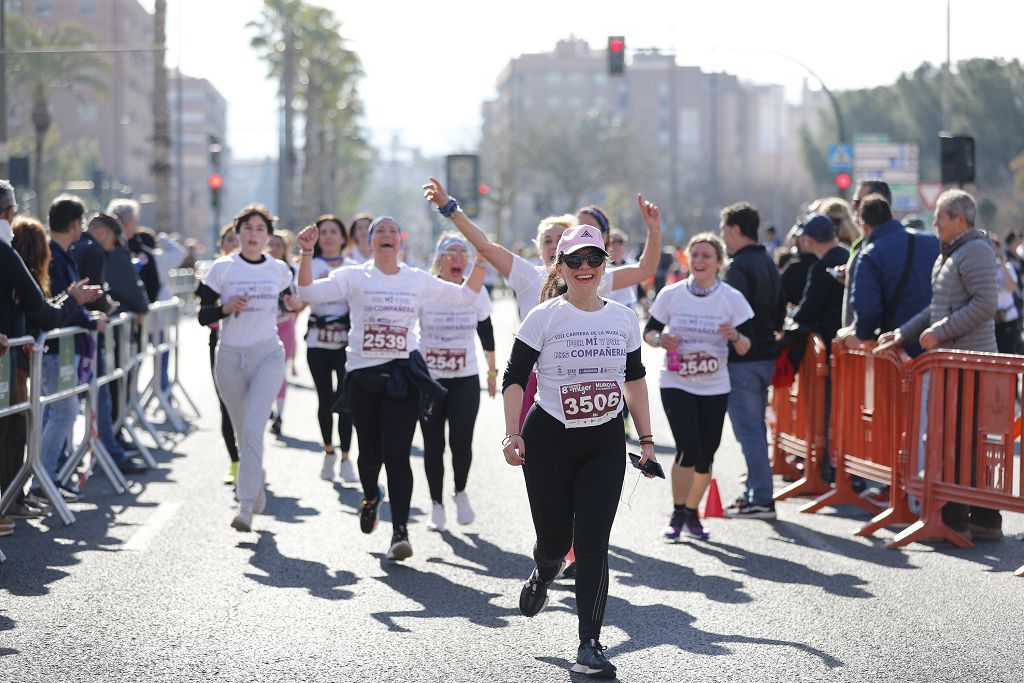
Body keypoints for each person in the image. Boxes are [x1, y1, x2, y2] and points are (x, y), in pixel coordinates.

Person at [501, 225, 656, 679]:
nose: (585, 268)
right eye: (575, 260)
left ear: (606, 263)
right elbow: (513, 378)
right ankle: (543, 571)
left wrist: (646, 442)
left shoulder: (624, 318)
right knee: (554, 542)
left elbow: (635, 380)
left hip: (604, 441)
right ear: (560, 266)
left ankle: (589, 643)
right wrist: (513, 435)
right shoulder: (544, 317)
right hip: (549, 438)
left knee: (592, 543)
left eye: (594, 259)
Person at [295, 211, 485, 561]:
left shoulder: (415, 279)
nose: (385, 234)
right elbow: (307, 291)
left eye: (392, 230)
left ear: (401, 241)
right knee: (370, 455)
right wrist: (307, 253)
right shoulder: (353, 276)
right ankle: (370, 497)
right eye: (379, 231)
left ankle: (400, 530)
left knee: (397, 454)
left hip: (402, 376)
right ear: (370, 242)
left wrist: (483, 264)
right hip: (364, 376)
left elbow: (463, 297)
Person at [876, 189, 1001, 539]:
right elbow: (935, 308)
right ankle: (968, 517)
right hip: (953, 362)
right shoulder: (952, 253)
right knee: (955, 438)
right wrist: (903, 333)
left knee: (964, 440)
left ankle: (965, 517)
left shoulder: (975, 250)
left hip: (971, 364)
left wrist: (939, 331)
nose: (934, 223)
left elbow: (985, 305)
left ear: (960, 219)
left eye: (940, 218)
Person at [646, 233, 752, 541]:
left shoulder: (732, 299)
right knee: (688, 447)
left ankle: (693, 513)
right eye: (695, 255)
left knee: (707, 452)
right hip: (676, 381)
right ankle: (678, 512)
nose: (700, 261)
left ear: (719, 262)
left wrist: (734, 336)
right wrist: (660, 339)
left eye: (707, 256)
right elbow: (649, 333)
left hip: (715, 385)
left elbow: (746, 347)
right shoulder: (672, 294)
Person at [197, 205, 294, 533]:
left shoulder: (278, 270)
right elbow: (203, 315)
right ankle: (257, 480)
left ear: (268, 236)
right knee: (242, 432)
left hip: (267, 355)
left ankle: (246, 506)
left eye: (260, 229)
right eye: (248, 228)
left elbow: (291, 301)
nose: (253, 234)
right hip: (229, 358)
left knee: (254, 428)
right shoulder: (222, 269)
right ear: (238, 233)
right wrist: (225, 307)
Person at [419, 232, 497, 532]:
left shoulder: (476, 291)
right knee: (433, 444)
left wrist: (492, 373)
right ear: (439, 260)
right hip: (430, 380)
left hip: (465, 378)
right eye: (450, 253)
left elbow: (486, 331)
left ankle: (460, 492)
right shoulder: (426, 290)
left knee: (461, 442)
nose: (457, 258)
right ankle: (436, 504)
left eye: (462, 253)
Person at [35, 195, 105, 501]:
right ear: (76, 224)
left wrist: (86, 309)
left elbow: (68, 301)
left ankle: (48, 476)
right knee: (62, 411)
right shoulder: (53, 254)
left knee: (59, 411)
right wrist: (89, 319)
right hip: (55, 348)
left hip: (62, 346)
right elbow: (59, 303)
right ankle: (42, 480)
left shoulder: (62, 254)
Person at [718, 201, 782, 519]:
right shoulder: (768, 260)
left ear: (734, 230)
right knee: (755, 427)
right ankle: (756, 491)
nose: (723, 238)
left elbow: (729, 311)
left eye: (724, 231)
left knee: (749, 429)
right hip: (766, 353)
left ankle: (761, 496)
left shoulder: (738, 267)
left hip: (743, 356)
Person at [70, 212, 148, 475]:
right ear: (103, 233)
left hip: (71, 333)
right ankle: (107, 454)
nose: (113, 249)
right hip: (86, 334)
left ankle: (66, 461)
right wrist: (108, 306)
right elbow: (94, 292)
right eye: (114, 242)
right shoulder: (93, 251)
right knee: (96, 397)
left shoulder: (73, 248)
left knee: (65, 406)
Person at [837, 194, 939, 356]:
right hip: (938, 345)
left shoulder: (870, 255)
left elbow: (867, 309)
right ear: (891, 216)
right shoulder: (932, 242)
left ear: (864, 227)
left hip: (895, 350)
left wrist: (861, 334)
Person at [303, 215, 357, 483]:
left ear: (343, 236)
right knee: (324, 399)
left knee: (346, 399)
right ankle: (328, 452)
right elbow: (299, 295)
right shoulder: (310, 264)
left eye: (333, 231)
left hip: (346, 343)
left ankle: (347, 457)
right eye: (323, 231)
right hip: (317, 342)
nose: (328, 236)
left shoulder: (353, 267)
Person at [198, 224, 242, 486]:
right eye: (229, 240)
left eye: (239, 239)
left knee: (248, 409)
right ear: (221, 245)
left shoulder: (257, 272)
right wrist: (223, 308)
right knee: (226, 405)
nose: (235, 243)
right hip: (220, 342)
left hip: (253, 346)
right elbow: (203, 313)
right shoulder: (212, 274)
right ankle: (235, 462)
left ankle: (250, 459)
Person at [789, 213, 849, 348]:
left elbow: (807, 312)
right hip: (848, 341)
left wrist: (791, 312)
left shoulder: (820, 268)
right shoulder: (847, 254)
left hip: (833, 344)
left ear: (808, 239)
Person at [266, 229, 303, 435]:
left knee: (281, 371)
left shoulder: (291, 271)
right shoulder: (260, 269)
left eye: (279, 245)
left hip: (285, 325)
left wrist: (294, 305)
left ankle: (279, 415)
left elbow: (299, 300)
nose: (274, 249)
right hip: (263, 328)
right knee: (264, 370)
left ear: (285, 249)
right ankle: (268, 406)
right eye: (271, 244)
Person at [990, 234, 1021, 355]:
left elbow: (1011, 287)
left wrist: (1002, 262)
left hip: (1008, 319)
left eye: (995, 246)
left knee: (1009, 355)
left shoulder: (1007, 267)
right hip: (993, 321)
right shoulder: (984, 268)